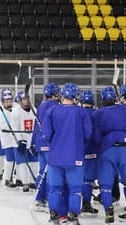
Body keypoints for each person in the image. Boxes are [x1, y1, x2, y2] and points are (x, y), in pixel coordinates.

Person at [93, 86, 126, 224]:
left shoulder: (98, 113)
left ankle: (109, 213)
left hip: (108, 149)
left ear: (103, 99)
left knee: (105, 185)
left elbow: (96, 136)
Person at [42, 82, 92, 225]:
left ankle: (54, 215)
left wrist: (56, 143)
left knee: (55, 189)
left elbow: (46, 134)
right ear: (75, 96)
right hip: (75, 156)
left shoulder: (51, 111)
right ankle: (72, 217)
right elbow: (88, 133)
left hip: (55, 157)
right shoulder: (81, 112)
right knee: (75, 189)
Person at [32, 82, 60, 211]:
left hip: (40, 142)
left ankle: (39, 198)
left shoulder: (41, 106)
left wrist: (34, 142)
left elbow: (36, 125)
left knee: (42, 171)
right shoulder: (56, 106)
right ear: (54, 94)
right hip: (50, 143)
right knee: (50, 173)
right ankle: (49, 198)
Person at [11, 91, 38, 192]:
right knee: (22, 163)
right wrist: (20, 140)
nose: (26, 101)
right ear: (20, 101)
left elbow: (37, 126)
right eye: (23, 99)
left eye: (27, 99)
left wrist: (35, 140)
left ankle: (33, 181)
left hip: (31, 141)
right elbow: (15, 128)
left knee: (34, 162)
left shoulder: (34, 110)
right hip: (19, 142)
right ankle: (24, 182)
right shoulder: (16, 112)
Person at [80, 90, 99, 216]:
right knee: (88, 179)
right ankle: (86, 204)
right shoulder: (97, 114)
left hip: (78, 150)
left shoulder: (78, 112)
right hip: (92, 149)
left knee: (78, 178)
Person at [0, 92, 17, 188]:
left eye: (10, 101)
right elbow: (2, 126)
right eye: (6, 101)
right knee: (9, 159)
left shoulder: (15, 110)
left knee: (14, 160)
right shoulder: (0, 113)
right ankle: (6, 178)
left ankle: (11, 178)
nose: (8, 103)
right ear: (3, 102)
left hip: (15, 139)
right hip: (6, 139)